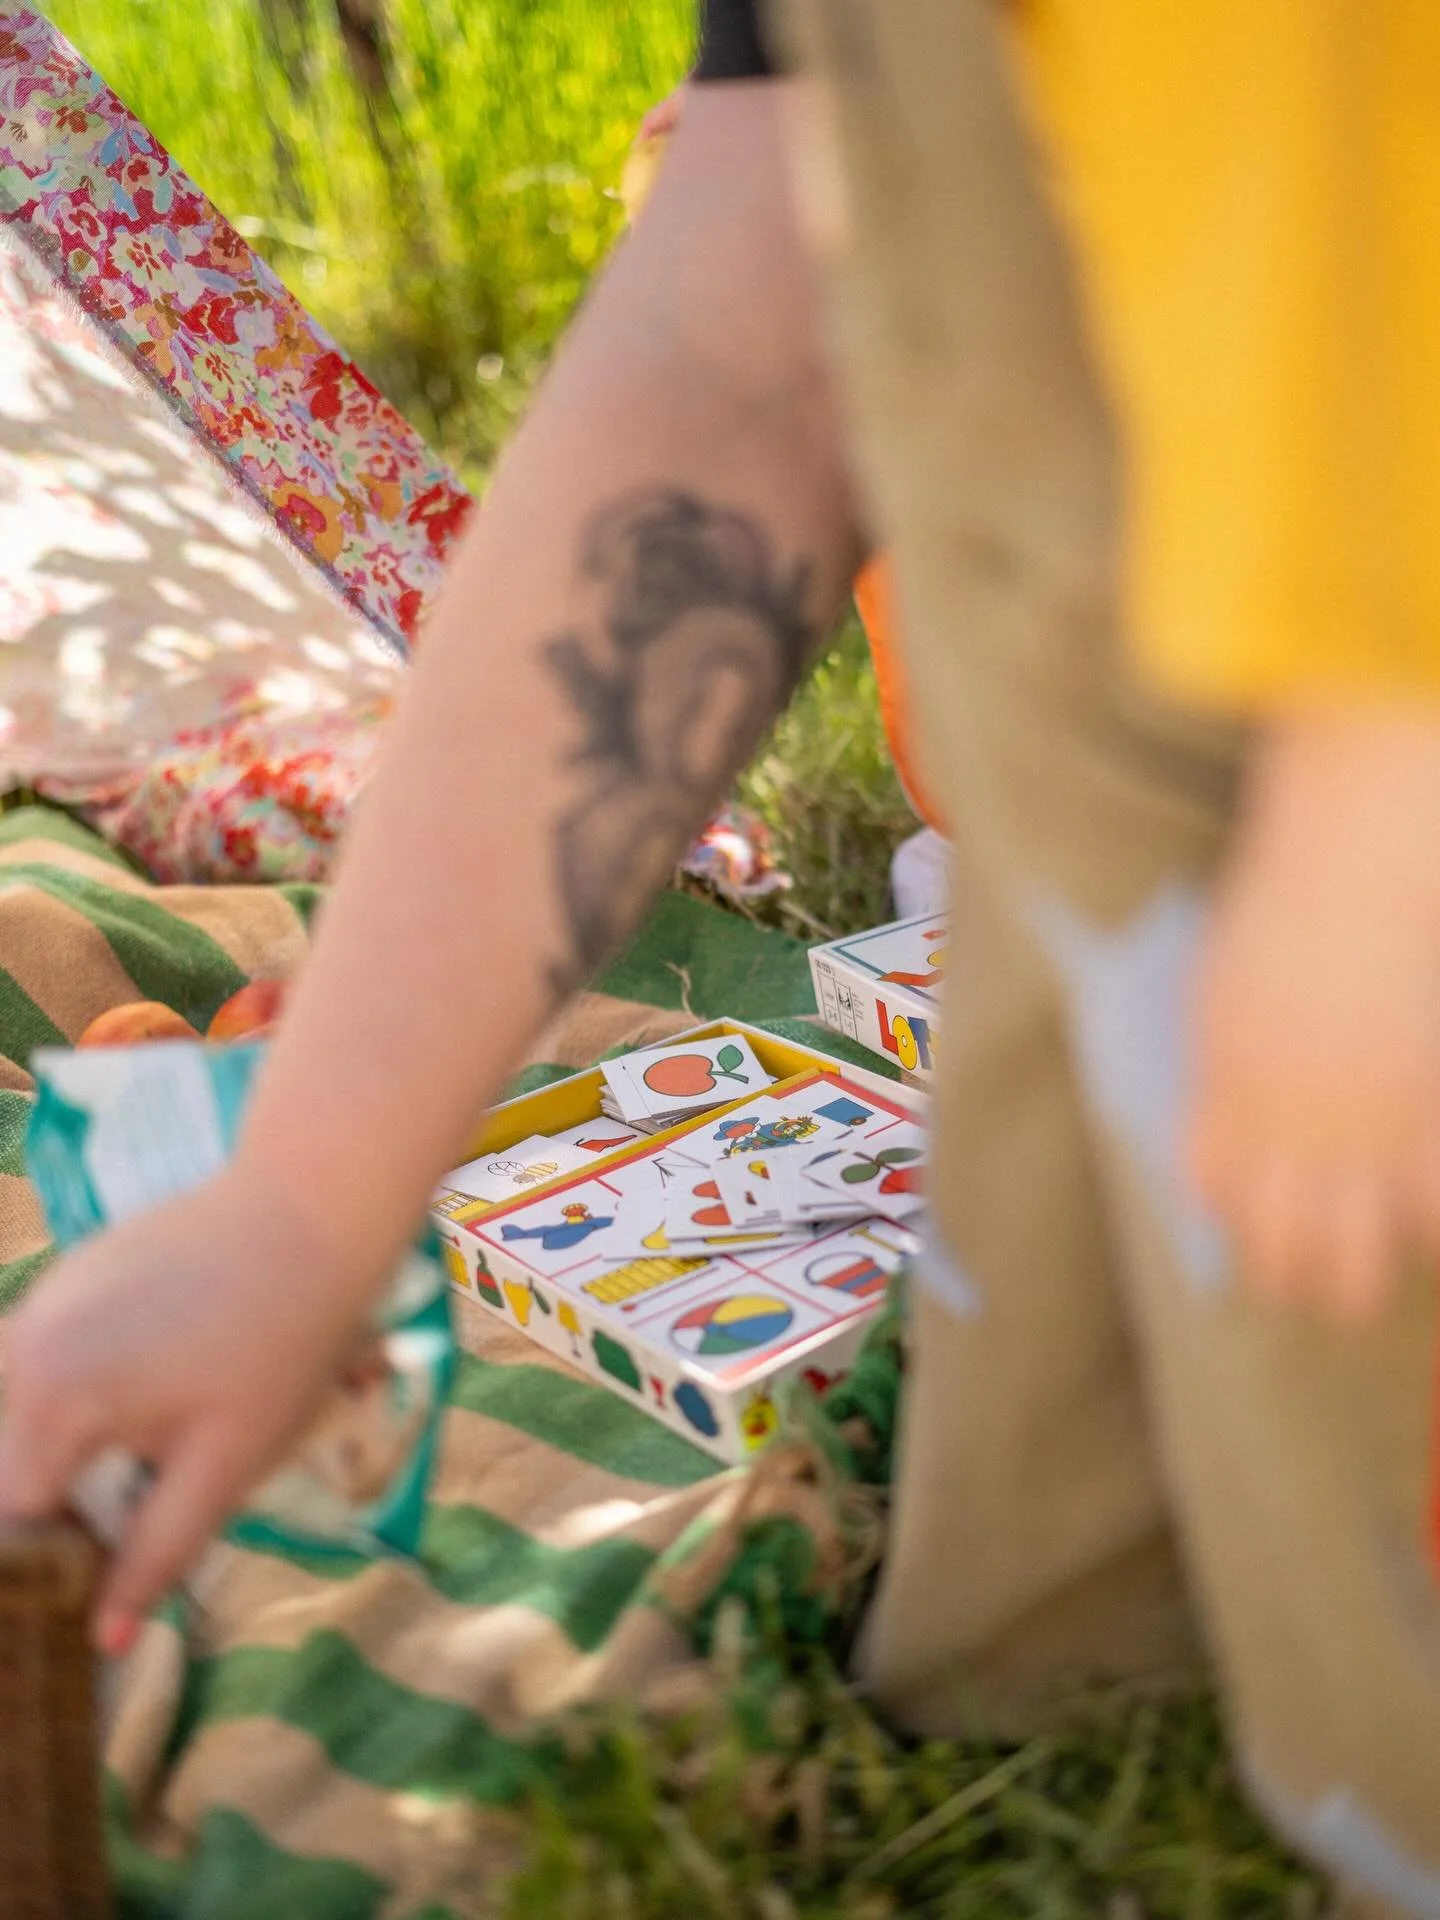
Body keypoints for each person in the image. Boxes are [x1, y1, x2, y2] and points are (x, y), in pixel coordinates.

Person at [3, 2, 1440, 1911]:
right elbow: (738, 341)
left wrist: (1377, 778)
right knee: (1027, 1653)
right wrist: (297, 1201)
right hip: (1141, 831)